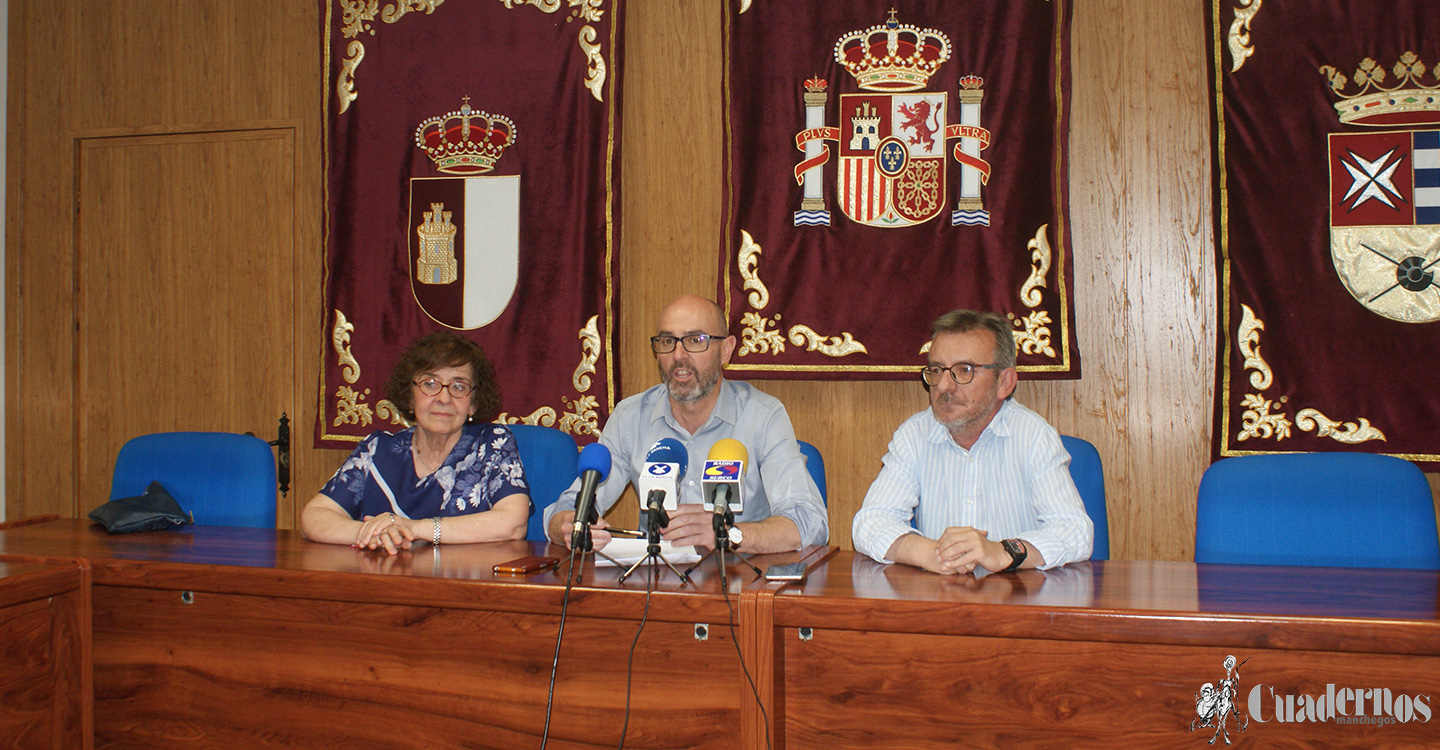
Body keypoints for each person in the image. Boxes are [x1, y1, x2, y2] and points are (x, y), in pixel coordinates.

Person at [544, 294, 828, 553]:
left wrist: (729, 535)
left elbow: (809, 523)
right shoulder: (630, 417)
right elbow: (568, 507)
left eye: (695, 340)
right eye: (667, 341)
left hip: (741, 584)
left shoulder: (763, 416)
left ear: (726, 350)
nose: (678, 355)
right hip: (657, 586)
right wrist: (567, 526)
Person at [852, 309, 1092, 574]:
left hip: (1017, 602)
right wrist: (930, 553)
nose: (943, 386)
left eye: (964, 370)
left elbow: (1075, 531)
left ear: (1005, 382)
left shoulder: (1033, 436)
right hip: (942, 599)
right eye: (936, 369)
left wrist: (1002, 551)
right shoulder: (914, 435)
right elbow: (870, 522)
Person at [302, 331, 530, 554]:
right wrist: (377, 532)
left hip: (465, 586)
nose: (443, 398)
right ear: (410, 396)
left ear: (473, 403)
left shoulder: (492, 444)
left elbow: (513, 523)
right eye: (430, 383)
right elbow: (315, 516)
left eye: (458, 386)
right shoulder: (377, 450)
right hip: (384, 584)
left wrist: (416, 528)